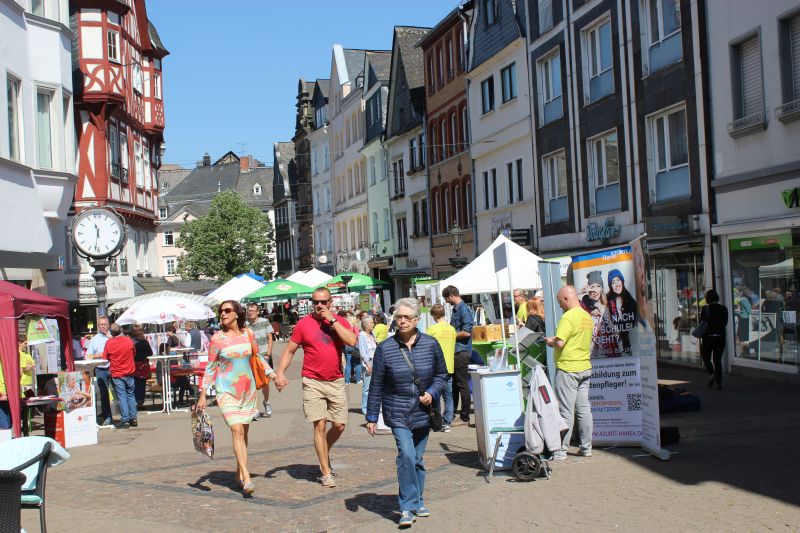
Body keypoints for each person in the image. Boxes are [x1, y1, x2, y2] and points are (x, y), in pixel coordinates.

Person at [366, 298, 447, 528]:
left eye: (406, 317)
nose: (401, 321)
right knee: (407, 456)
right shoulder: (386, 348)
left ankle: (418, 499)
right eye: (398, 317)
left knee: (418, 459)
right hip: (397, 410)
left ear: (417, 319)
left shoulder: (431, 344)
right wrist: (372, 416)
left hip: (423, 410)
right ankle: (406, 507)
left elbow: (442, 375)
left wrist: (432, 392)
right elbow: (377, 384)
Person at [274, 288, 356, 488]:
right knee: (319, 425)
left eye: (323, 302)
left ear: (330, 303)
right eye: (315, 302)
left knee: (339, 425)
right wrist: (280, 373)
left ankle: (323, 450)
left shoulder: (340, 321)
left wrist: (333, 321)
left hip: (335, 380)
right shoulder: (304, 324)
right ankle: (326, 471)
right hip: (312, 381)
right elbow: (290, 350)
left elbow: (352, 341)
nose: (319, 305)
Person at [197, 300, 276, 497]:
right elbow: (211, 367)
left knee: (244, 432)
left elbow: (257, 358)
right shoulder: (217, 339)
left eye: (227, 310)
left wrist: (273, 375)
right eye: (221, 311)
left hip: (247, 391)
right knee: (237, 430)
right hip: (226, 391)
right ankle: (246, 476)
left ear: (237, 313)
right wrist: (202, 395)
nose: (223, 314)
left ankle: (239, 472)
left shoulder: (248, 334)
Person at [545, 285, 594, 460]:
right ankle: (586, 447)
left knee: (566, 411)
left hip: (568, 369)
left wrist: (550, 341)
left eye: (560, 302)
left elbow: (560, 343)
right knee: (583, 410)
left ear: (566, 298)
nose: (560, 306)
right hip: (584, 367)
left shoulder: (568, 317)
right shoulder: (586, 316)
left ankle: (561, 450)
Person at [442, 285, 473, 427]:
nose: (447, 302)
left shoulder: (464, 309)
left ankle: (465, 417)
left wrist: (451, 335)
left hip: (461, 351)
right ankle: (451, 413)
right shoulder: (456, 309)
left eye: (447, 299)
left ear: (451, 295)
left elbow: (467, 332)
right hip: (455, 351)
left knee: (462, 384)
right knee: (455, 384)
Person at [426, 303, 456, 432]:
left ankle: (437, 422)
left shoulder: (431, 330)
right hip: (449, 366)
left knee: (435, 395)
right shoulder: (452, 329)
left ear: (433, 315)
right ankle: (447, 422)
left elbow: (426, 350)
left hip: (436, 367)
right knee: (448, 396)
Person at [101, 323, 138, 429]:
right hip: (129, 372)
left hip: (117, 373)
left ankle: (125, 419)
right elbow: (133, 353)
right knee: (130, 395)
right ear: (120, 330)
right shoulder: (128, 341)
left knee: (122, 396)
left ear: (111, 333)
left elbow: (105, 358)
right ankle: (133, 418)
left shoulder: (109, 343)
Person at [580, 270, 622, 358]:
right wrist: (581, 292)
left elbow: (617, 333)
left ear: (602, 288)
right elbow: (569, 300)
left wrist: (605, 316)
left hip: (610, 355)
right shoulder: (583, 306)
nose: (595, 290)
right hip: (591, 356)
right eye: (592, 286)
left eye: (598, 286)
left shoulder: (609, 306)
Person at [246, 303, 275, 419]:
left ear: (258, 312)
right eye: (248, 310)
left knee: (265, 382)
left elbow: (270, 338)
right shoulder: (245, 325)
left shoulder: (264, 321)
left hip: (264, 356)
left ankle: (266, 402)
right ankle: (255, 409)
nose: (250, 312)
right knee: (253, 383)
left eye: (252, 310)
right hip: (251, 357)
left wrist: (268, 353)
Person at [85, 316, 113, 425]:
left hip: (113, 367)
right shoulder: (94, 339)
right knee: (104, 394)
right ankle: (107, 417)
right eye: (101, 324)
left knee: (120, 392)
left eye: (105, 324)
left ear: (108, 325)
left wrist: (111, 338)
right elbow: (88, 356)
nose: (103, 326)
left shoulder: (113, 337)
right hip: (100, 369)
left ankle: (125, 417)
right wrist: (96, 356)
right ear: (98, 326)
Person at [700, 289, 729, 389]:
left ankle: (711, 373)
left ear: (707, 299)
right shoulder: (724, 309)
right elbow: (725, 322)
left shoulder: (705, 309)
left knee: (705, 357)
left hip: (708, 337)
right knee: (717, 360)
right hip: (720, 337)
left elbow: (702, 322)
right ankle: (719, 384)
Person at [606, 269, 638, 355]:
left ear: (622, 281)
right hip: (611, 346)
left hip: (630, 345)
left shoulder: (631, 301)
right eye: (613, 282)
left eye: (618, 280)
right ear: (610, 286)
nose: (617, 284)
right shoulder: (606, 301)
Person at [357, 316, 377, 415]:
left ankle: (373, 407)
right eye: (371, 323)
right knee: (367, 387)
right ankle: (365, 408)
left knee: (375, 386)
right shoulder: (361, 335)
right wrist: (368, 365)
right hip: (368, 362)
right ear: (365, 324)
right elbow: (362, 351)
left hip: (375, 361)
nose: (373, 324)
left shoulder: (371, 334)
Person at [131, 326, 153, 409]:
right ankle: (140, 402)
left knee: (135, 384)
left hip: (134, 365)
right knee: (142, 384)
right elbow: (150, 353)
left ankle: (135, 401)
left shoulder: (131, 342)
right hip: (143, 365)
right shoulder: (144, 342)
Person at [342, 310, 362, 384]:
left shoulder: (346, 328)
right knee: (357, 363)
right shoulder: (355, 328)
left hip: (347, 346)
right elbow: (357, 337)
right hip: (355, 346)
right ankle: (358, 379)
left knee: (348, 364)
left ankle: (347, 381)